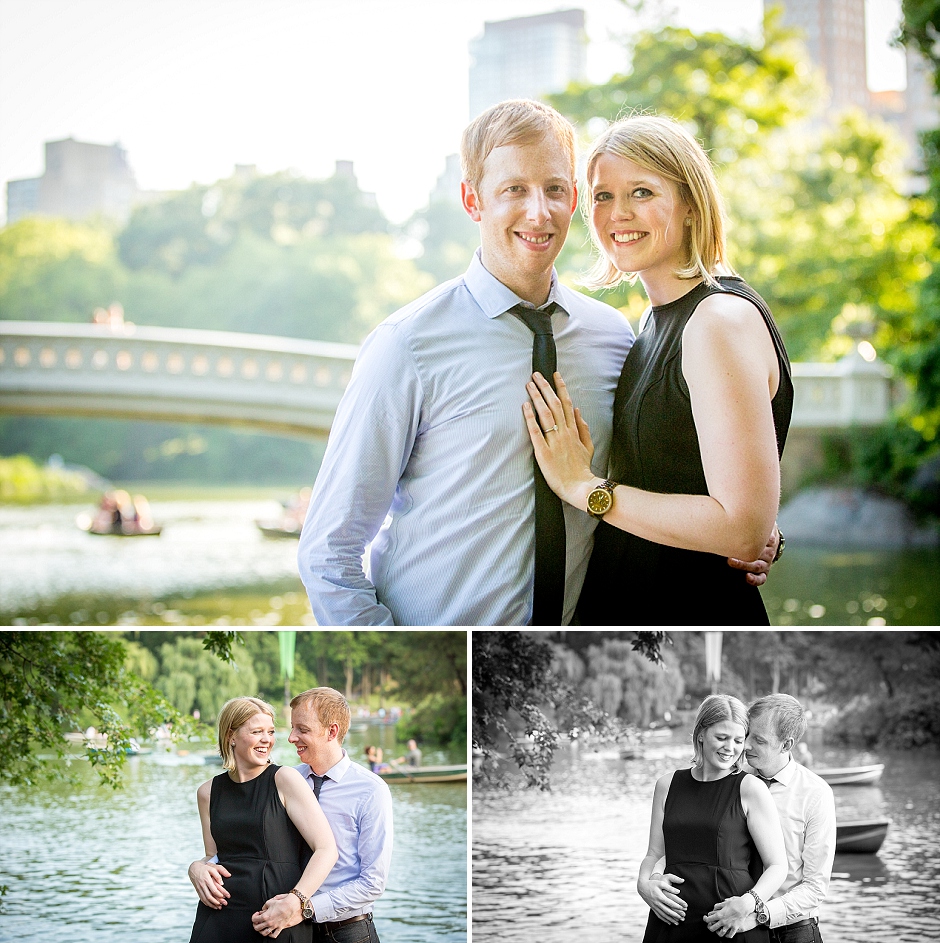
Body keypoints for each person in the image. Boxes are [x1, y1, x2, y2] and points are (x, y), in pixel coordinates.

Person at [298, 100, 774, 626]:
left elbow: (667, 467)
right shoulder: (405, 346)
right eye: (513, 190)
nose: (538, 212)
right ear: (471, 200)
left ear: (572, 199)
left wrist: (752, 531)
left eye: (554, 189)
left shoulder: (614, 337)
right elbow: (329, 554)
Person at [523, 114, 791, 625]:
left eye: (641, 192)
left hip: (685, 610)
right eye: (603, 196)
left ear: (690, 204)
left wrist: (585, 488)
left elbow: (740, 530)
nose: (618, 214)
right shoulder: (651, 321)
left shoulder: (716, 321)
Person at [189, 687, 393, 943]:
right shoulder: (282, 778)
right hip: (281, 923)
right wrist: (197, 867)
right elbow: (235, 848)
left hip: (344, 930)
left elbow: (372, 882)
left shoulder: (371, 790)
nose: (290, 737)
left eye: (302, 729)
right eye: (291, 728)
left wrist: (303, 906)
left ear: (331, 732)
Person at [637, 694, 787, 942]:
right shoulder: (666, 785)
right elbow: (654, 853)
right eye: (721, 737)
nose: (731, 748)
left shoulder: (751, 788)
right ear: (700, 734)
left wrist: (748, 903)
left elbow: (778, 866)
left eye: (738, 740)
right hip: (670, 923)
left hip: (728, 926)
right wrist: (645, 885)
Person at [188, 696, 337, 942]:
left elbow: (326, 849)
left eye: (270, 731)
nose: (267, 739)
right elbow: (213, 856)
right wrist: (196, 868)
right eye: (257, 731)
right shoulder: (208, 792)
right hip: (219, 919)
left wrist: (296, 900)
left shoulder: (285, 779)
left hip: (274, 918)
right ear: (230, 736)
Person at [704, 694, 836, 943]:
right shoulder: (730, 779)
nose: (746, 746)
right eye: (748, 735)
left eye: (759, 740)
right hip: (729, 926)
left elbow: (815, 888)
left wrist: (756, 915)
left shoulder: (815, 794)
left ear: (786, 745)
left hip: (791, 932)